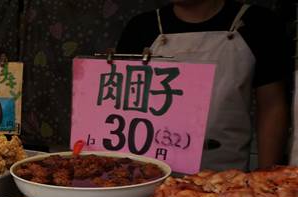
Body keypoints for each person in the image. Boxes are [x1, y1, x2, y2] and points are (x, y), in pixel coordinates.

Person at [116, 0, 290, 171]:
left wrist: (267, 178)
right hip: (145, 176)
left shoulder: (258, 23)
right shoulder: (140, 27)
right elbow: (119, 104)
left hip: (225, 179)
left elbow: (272, 105)